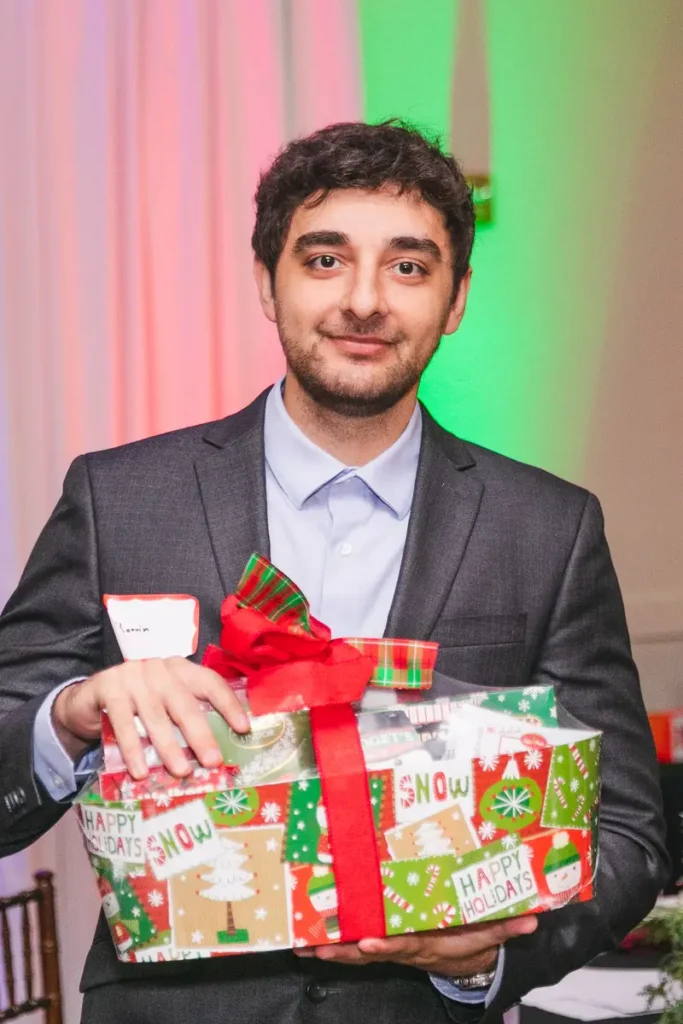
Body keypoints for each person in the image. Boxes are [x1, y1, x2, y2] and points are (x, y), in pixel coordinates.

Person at [0, 121, 668, 1024]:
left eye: (408, 266)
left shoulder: (547, 529)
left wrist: (485, 958)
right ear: (266, 284)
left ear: (455, 299)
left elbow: (627, 831)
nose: (363, 300)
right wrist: (71, 715)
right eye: (324, 260)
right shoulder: (120, 497)